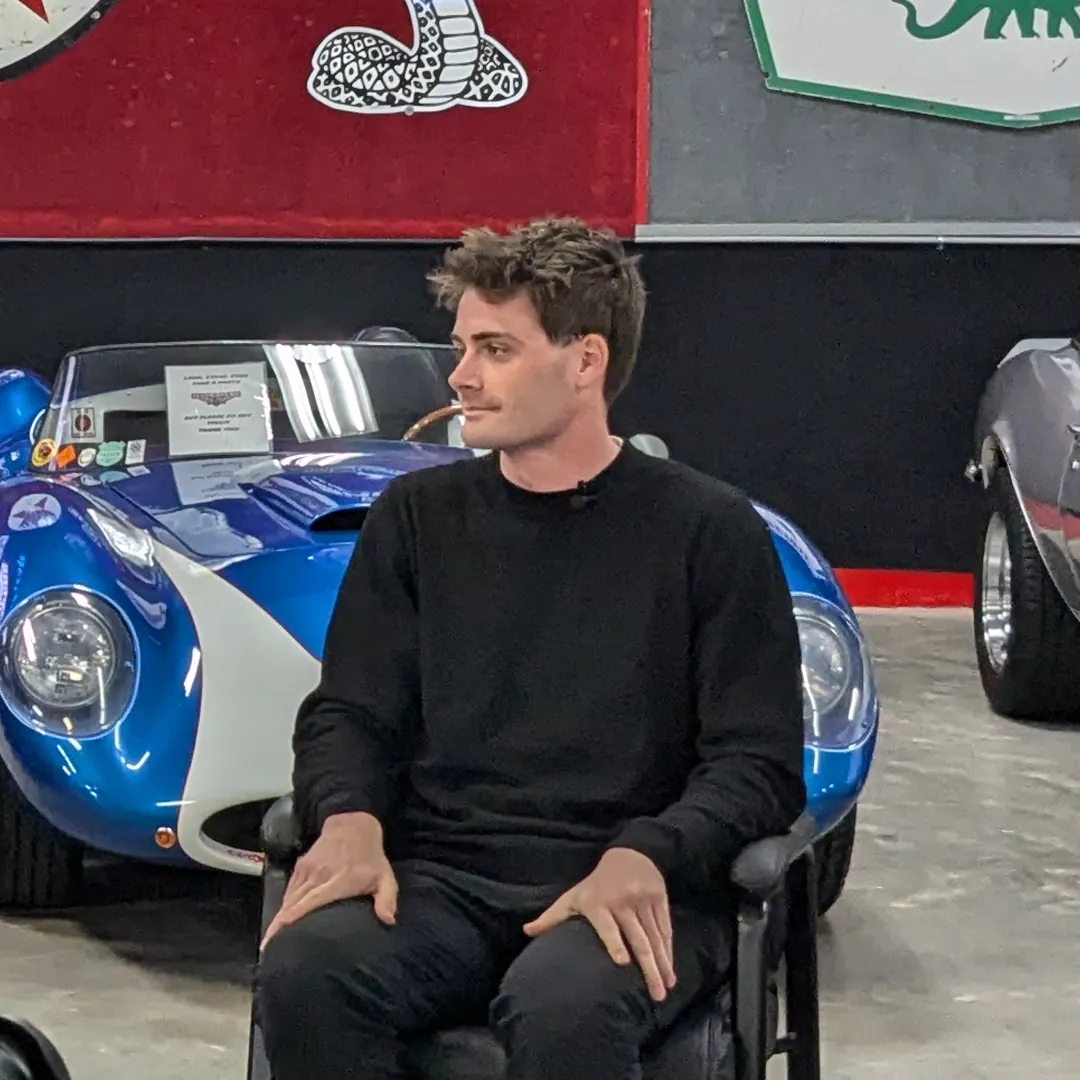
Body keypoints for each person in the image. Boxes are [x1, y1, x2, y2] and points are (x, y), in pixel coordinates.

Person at [254, 217, 807, 1080]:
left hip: (629, 883)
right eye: (461, 347)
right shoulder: (415, 520)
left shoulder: (710, 530)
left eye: (495, 350)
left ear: (585, 361)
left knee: (563, 1008)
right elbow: (350, 712)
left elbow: (758, 765)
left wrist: (652, 852)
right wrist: (349, 818)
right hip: (443, 881)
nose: (460, 376)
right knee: (307, 974)